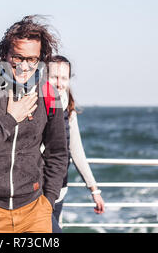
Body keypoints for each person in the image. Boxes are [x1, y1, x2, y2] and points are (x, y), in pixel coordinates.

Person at [0, 15, 69, 233]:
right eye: (18, 58)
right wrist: (10, 118)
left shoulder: (49, 94)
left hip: (35, 210)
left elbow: (58, 153)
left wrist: (48, 201)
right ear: (4, 55)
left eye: (32, 59)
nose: (25, 66)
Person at [47, 55, 105, 233]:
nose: (59, 83)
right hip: (38, 192)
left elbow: (76, 150)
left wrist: (94, 189)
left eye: (63, 78)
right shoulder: (36, 105)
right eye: (54, 77)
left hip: (60, 190)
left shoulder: (67, 107)